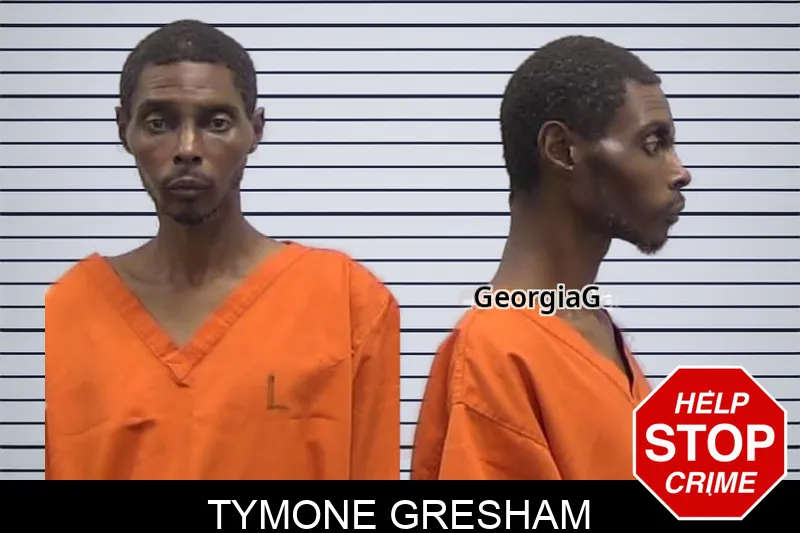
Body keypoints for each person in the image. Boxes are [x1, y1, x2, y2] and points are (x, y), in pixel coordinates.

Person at [44, 20, 400, 480]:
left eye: (216, 122)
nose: (187, 148)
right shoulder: (70, 308)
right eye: (159, 122)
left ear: (256, 130)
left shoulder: (349, 302)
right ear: (122, 129)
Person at [410, 36, 692, 480]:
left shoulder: (594, 329)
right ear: (561, 150)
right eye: (653, 143)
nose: (681, 172)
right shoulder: (494, 355)